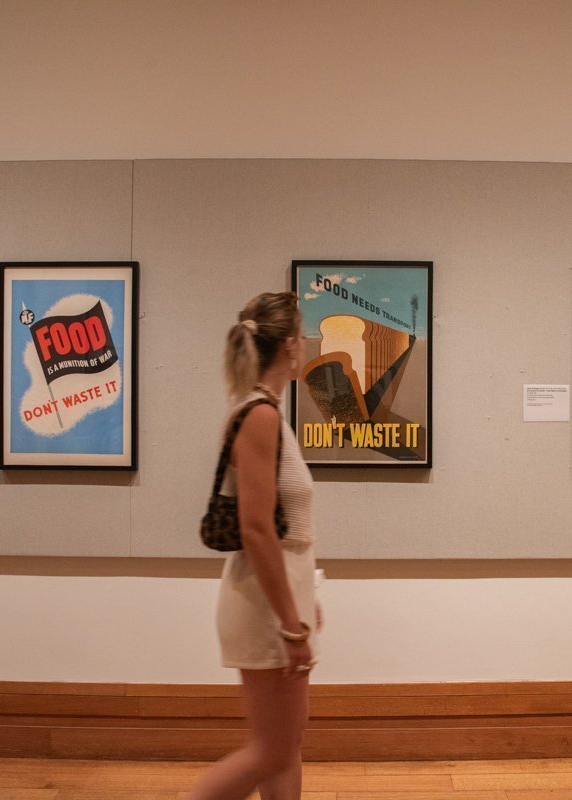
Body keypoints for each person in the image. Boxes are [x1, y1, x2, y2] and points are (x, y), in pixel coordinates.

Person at [188, 291, 318, 800]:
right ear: (289, 345)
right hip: (266, 603)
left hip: (280, 594)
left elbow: (284, 531)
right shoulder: (259, 415)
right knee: (271, 750)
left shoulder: (265, 411)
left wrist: (306, 601)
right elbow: (257, 530)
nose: (307, 345)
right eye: (304, 336)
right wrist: (290, 622)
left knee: (285, 745)